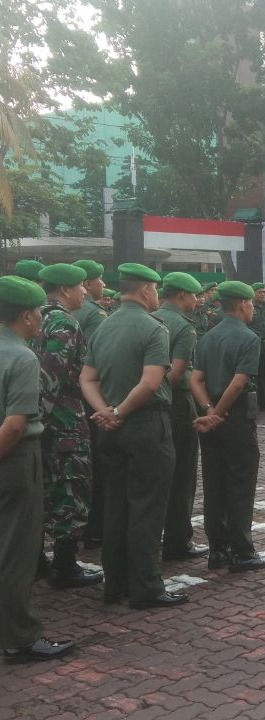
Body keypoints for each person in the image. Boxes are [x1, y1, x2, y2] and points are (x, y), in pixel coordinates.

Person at [79, 263, 184, 609]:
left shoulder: (103, 326)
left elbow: (87, 379)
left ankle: (115, 585)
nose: (156, 295)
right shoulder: (154, 328)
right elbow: (151, 383)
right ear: (145, 290)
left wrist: (105, 412)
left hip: (110, 428)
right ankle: (146, 588)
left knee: (117, 506)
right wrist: (120, 412)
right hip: (144, 426)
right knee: (147, 508)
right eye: (155, 289)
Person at [0, 276, 75, 664]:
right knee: (17, 550)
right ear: (27, 316)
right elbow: (14, 424)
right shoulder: (22, 356)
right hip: (13, 457)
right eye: (37, 316)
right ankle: (20, 637)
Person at [191, 281, 265, 574]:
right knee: (240, 483)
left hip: (211, 413)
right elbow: (239, 382)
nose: (252, 308)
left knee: (214, 482)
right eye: (250, 303)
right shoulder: (248, 338)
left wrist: (208, 411)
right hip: (235, 416)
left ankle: (218, 550)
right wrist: (220, 414)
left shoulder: (208, 337)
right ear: (242, 304)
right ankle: (242, 551)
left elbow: (195, 379)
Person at [34, 263, 103, 589]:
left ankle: (38, 561)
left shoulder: (35, 317)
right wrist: (40, 423)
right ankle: (64, 566)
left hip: (44, 422)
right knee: (70, 490)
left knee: (42, 490)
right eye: (80, 286)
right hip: (63, 423)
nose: (85, 291)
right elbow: (50, 379)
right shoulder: (62, 321)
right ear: (64, 290)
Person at [153, 272, 208, 562]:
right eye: (195, 295)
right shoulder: (183, 327)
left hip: (143, 404)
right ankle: (178, 540)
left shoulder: (151, 317)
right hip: (174, 404)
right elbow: (174, 375)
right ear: (182, 296)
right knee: (182, 474)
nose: (198, 300)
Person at [71, 259, 108, 547]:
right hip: (88, 398)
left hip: (68, 398)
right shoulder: (94, 315)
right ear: (86, 284)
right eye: (99, 280)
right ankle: (94, 528)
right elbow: (99, 361)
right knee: (95, 465)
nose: (102, 285)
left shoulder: (53, 312)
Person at [249, 282, 265, 410]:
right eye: (259, 292)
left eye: (264, 292)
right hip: (255, 343)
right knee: (254, 373)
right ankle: (256, 402)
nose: (262, 294)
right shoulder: (250, 307)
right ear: (253, 293)